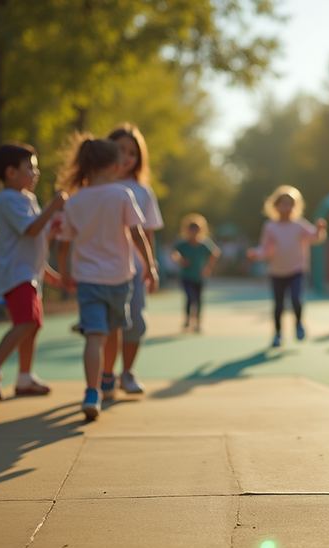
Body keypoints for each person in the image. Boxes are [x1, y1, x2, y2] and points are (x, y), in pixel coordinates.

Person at [55, 135, 159, 421]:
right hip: (119, 278)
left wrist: (64, 272)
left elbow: (63, 243)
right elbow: (138, 233)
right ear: (114, 166)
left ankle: (93, 390)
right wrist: (150, 265)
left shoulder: (75, 201)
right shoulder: (122, 195)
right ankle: (108, 379)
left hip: (87, 279)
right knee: (115, 329)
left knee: (94, 336)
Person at [0, 142, 67, 400]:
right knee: (27, 321)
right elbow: (31, 230)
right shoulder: (7, 200)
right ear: (11, 172)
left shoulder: (27, 199)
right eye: (30, 168)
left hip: (29, 274)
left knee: (33, 325)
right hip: (16, 275)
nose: (35, 173)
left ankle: (25, 378)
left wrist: (47, 267)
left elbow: (36, 239)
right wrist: (53, 207)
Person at [97, 124, 165, 399]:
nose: (125, 158)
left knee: (135, 323)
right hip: (101, 270)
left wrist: (151, 266)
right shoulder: (96, 187)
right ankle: (106, 376)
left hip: (133, 270)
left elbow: (147, 232)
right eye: (119, 150)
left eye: (132, 153)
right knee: (106, 325)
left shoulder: (142, 191)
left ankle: (128, 372)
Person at [247, 185, 327, 347]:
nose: (286, 207)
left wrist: (319, 230)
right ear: (275, 206)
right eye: (283, 203)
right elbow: (266, 248)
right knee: (278, 305)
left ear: (295, 206)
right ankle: (277, 334)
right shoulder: (270, 226)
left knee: (296, 299)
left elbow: (315, 238)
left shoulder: (299, 225)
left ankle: (298, 323)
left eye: (290, 204)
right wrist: (257, 254)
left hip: (297, 270)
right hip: (277, 271)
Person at [172, 213, 220, 332]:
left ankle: (198, 322)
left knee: (198, 299)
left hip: (199, 277)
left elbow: (215, 253)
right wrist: (181, 261)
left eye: (196, 229)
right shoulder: (182, 243)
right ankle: (188, 319)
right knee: (190, 297)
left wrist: (208, 268)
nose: (194, 232)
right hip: (186, 276)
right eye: (192, 229)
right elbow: (174, 253)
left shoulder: (204, 244)